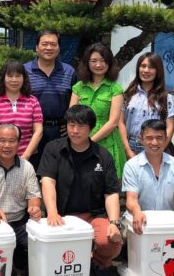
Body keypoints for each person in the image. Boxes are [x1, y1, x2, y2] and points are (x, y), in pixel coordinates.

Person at [37, 105, 122, 275]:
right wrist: (52, 212)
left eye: (81, 126)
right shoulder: (53, 149)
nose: (75, 131)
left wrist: (113, 222)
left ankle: (97, 263)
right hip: (62, 216)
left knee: (110, 242)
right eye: (71, 125)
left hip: (93, 215)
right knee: (60, 252)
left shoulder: (103, 156)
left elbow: (111, 193)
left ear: (91, 128)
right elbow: (47, 182)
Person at [0, 123, 42, 275]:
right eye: (2, 140)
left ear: (18, 143)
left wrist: (35, 207)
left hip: (20, 222)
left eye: (12, 141)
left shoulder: (27, 167)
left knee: (36, 250)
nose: (6, 145)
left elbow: (34, 196)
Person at [122, 119, 174, 235]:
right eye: (149, 138)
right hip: (139, 220)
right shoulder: (131, 166)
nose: (155, 142)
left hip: (165, 223)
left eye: (159, 138)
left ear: (166, 139)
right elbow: (131, 199)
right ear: (141, 139)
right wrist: (137, 211)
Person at [70, 42, 127, 178]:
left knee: (106, 184)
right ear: (87, 63)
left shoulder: (115, 89)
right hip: (79, 138)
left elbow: (113, 122)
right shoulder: (79, 87)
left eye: (103, 61)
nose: (98, 65)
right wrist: (81, 140)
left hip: (107, 143)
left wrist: (90, 141)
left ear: (109, 63)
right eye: (94, 61)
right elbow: (71, 115)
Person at [24, 30, 77, 169]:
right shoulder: (25, 71)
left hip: (60, 131)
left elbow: (76, 101)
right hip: (32, 131)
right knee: (32, 171)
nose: (49, 48)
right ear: (36, 47)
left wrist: (70, 123)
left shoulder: (69, 71)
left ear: (59, 48)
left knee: (60, 171)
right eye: (44, 44)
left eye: (53, 44)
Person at [118, 52, 174, 158]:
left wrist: (160, 149)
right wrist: (127, 149)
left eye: (151, 67)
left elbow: (170, 127)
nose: (146, 70)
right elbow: (121, 123)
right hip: (132, 146)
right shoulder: (128, 94)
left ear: (158, 71)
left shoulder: (166, 97)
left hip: (156, 146)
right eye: (143, 66)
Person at [0, 59, 43, 159]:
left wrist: (25, 156)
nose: (14, 80)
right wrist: (0, 156)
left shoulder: (33, 101)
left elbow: (38, 131)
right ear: (3, 78)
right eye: (10, 76)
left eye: (18, 76)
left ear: (24, 78)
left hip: (28, 159)